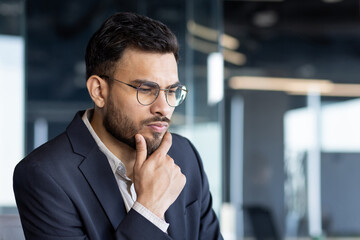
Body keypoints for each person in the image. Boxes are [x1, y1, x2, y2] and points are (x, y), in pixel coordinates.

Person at [13, 12, 223, 240]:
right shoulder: (45, 175)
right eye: (146, 89)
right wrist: (149, 210)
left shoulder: (185, 156)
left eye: (171, 91)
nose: (163, 108)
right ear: (99, 91)